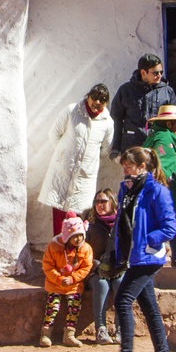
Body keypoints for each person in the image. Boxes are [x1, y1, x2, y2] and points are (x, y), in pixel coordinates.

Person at [101, 146, 176, 352]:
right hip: (134, 257)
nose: (125, 171)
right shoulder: (127, 190)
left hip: (148, 256)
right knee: (149, 307)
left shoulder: (158, 191)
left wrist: (147, 240)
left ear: (142, 167)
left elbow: (170, 227)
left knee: (123, 300)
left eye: (129, 167)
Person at [38, 84, 115, 237]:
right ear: (88, 96)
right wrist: (64, 156)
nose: (97, 102)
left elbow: (105, 148)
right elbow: (54, 134)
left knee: (78, 219)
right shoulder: (72, 111)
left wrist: (88, 160)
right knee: (60, 214)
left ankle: (74, 256)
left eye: (102, 100)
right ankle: (59, 254)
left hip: (84, 177)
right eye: (95, 98)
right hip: (63, 172)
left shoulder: (107, 123)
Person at [143, 104, 176, 267]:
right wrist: (166, 181)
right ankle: (167, 255)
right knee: (167, 221)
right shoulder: (164, 138)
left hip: (158, 186)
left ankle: (175, 253)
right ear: (168, 124)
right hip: (165, 187)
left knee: (166, 221)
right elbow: (162, 162)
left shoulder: (158, 136)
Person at [109, 54, 176, 155]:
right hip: (133, 148)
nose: (159, 75)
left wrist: (175, 149)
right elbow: (117, 119)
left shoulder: (167, 92)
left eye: (161, 72)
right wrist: (116, 147)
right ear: (143, 72)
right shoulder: (126, 91)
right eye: (155, 73)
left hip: (158, 148)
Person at [39, 214, 91, 347]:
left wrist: (73, 278)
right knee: (53, 305)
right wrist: (59, 279)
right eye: (74, 236)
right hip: (55, 284)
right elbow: (47, 265)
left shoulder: (86, 249)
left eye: (80, 235)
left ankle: (69, 335)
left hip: (73, 285)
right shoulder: (54, 246)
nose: (78, 239)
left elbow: (86, 267)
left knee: (74, 306)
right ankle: (45, 333)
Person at [83, 188, 121, 345]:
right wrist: (97, 265)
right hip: (94, 270)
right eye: (97, 202)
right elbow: (82, 250)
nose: (100, 205)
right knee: (101, 284)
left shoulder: (121, 222)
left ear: (112, 202)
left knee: (121, 283)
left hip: (118, 267)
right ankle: (101, 330)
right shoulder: (89, 223)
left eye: (103, 201)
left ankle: (121, 329)